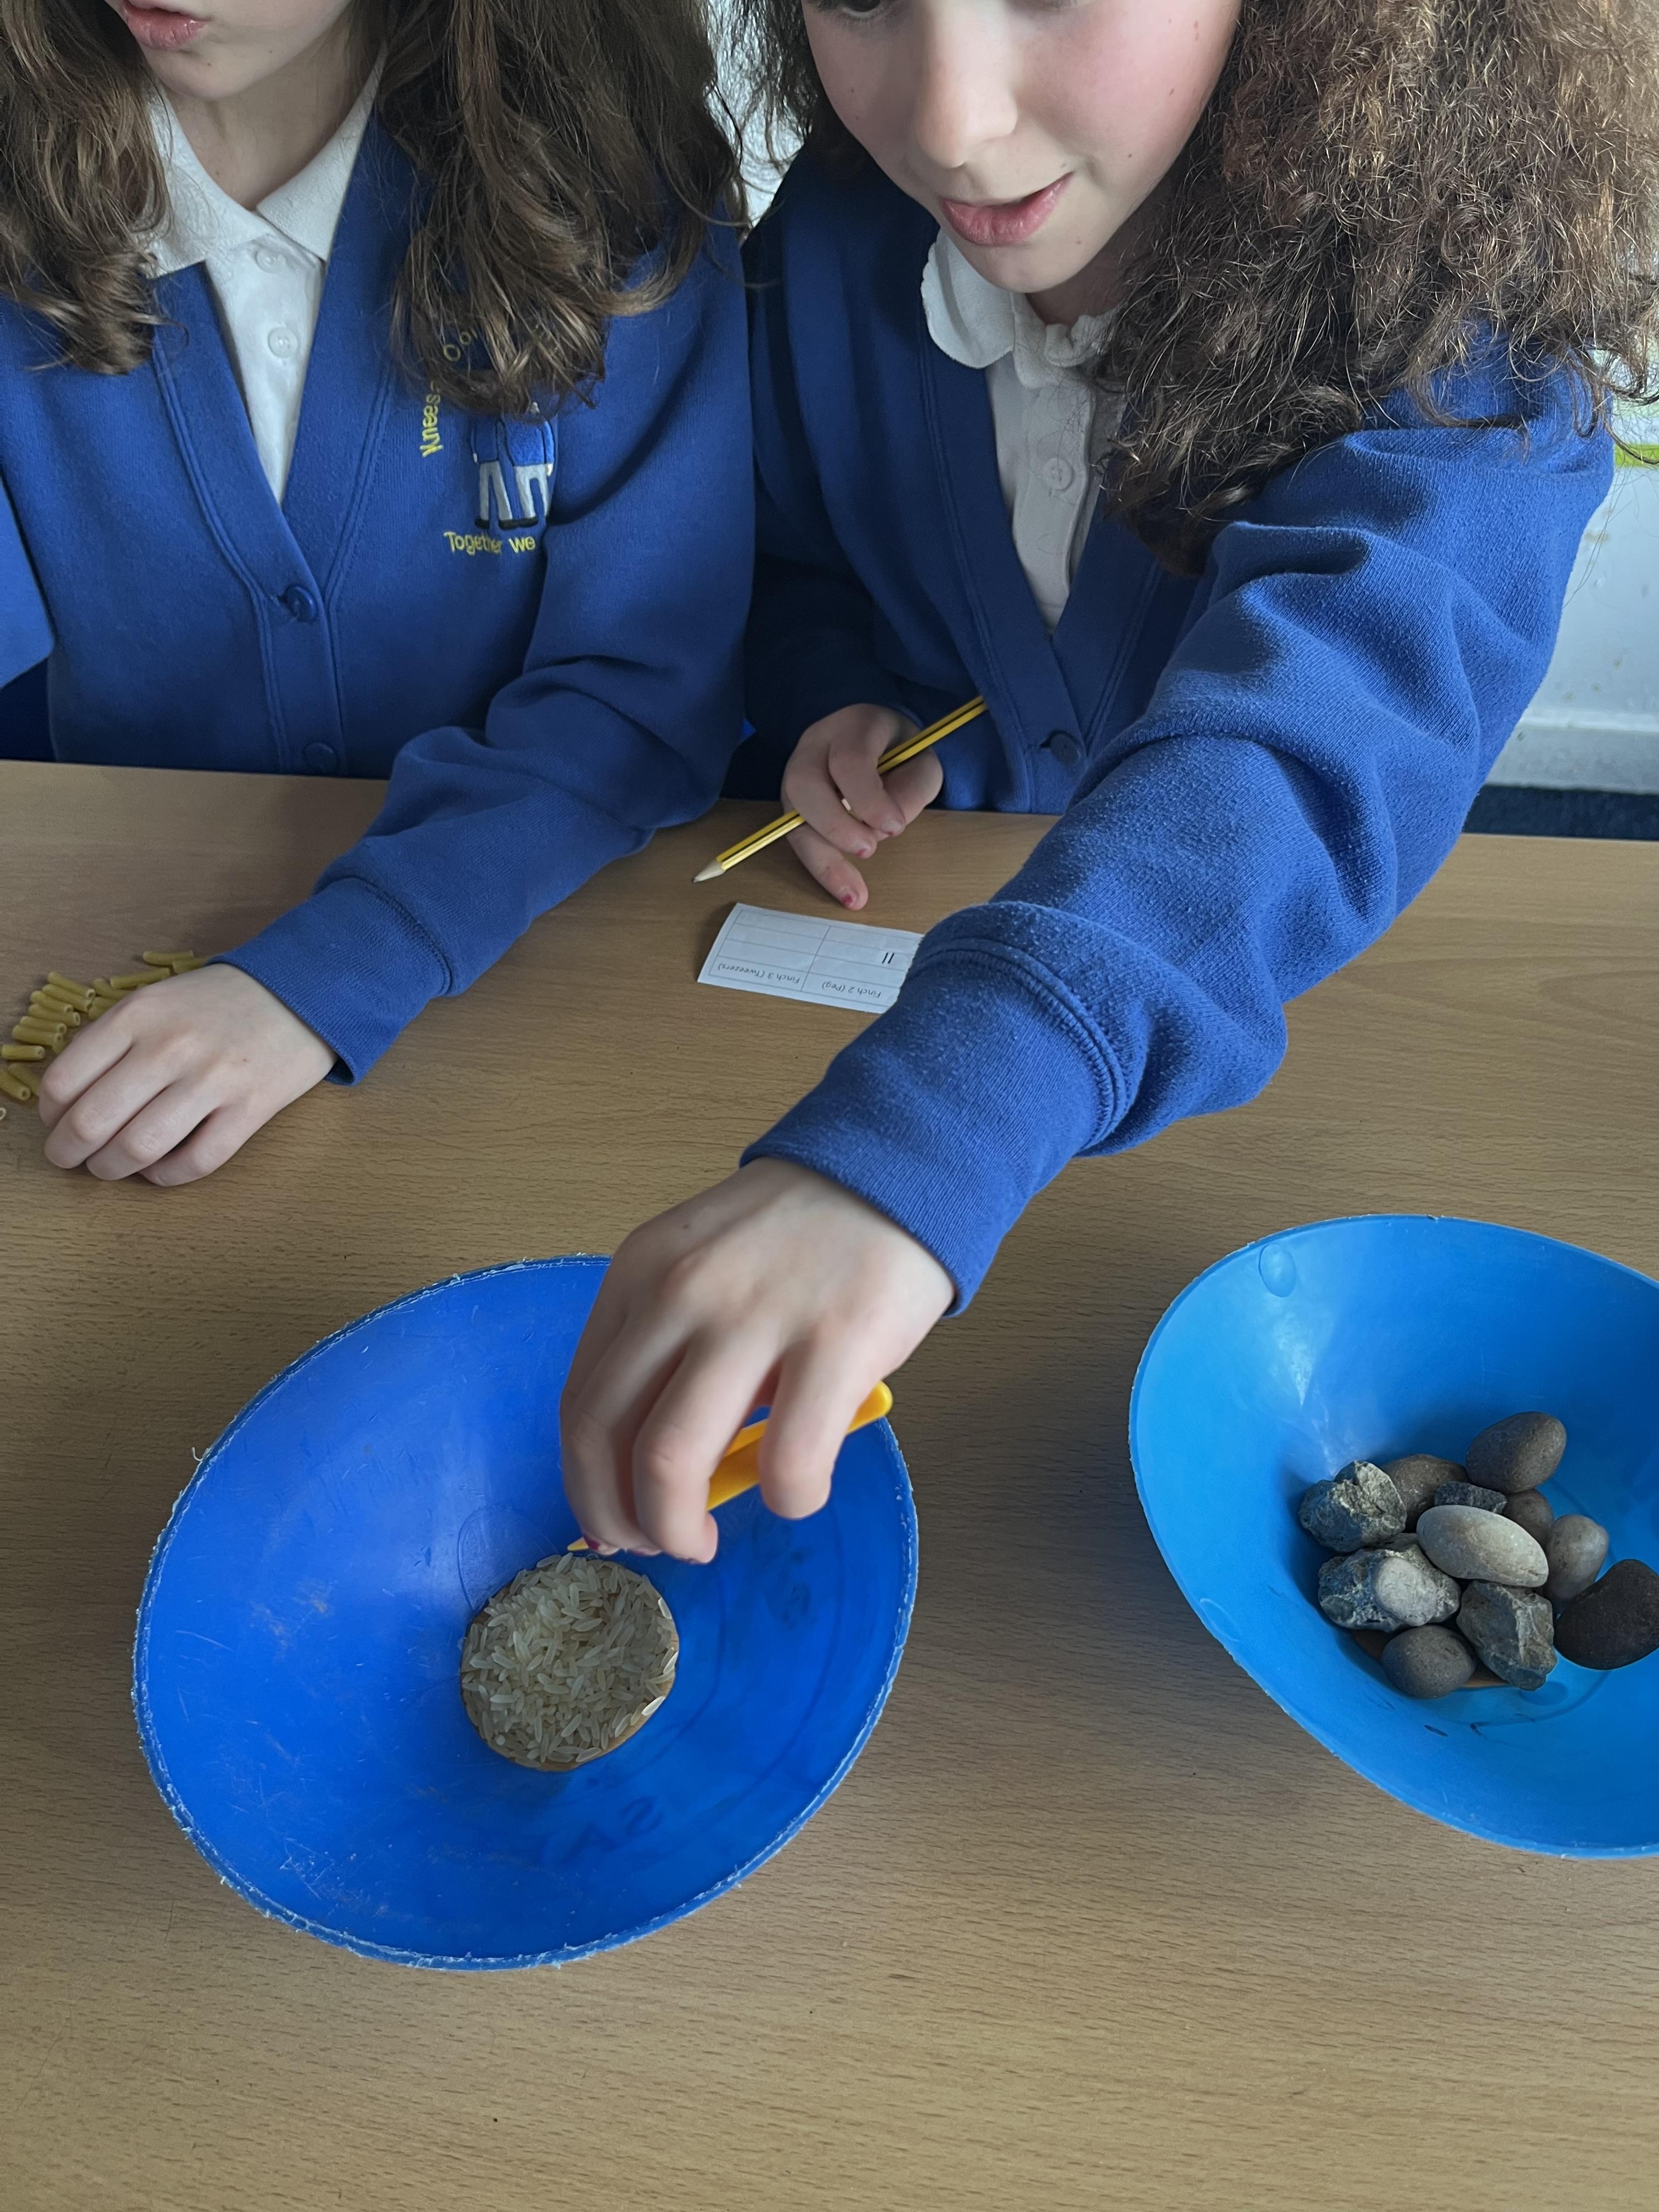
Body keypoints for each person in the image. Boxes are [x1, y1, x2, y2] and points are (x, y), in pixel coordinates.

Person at [559, 0, 1659, 1561]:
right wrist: (832, 689)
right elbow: (794, 546)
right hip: (901, 965)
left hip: (1231, 1085)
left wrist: (929, 1133)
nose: (948, 123)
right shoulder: (839, 237)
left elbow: (1307, 747)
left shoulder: (1456, 334)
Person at [1, 0, 749, 1182]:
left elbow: (637, 700)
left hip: (543, 979)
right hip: (104, 960)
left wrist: (327, 973)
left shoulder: (612, 184)